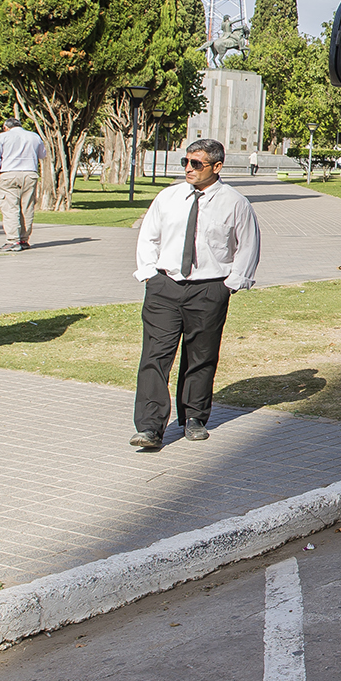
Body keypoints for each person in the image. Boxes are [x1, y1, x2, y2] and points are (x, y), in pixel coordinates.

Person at [129, 138, 262, 450]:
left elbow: (248, 245)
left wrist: (230, 284)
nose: (188, 168)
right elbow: (149, 236)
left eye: (196, 163)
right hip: (165, 287)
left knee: (201, 356)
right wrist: (149, 274)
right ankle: (149, 427)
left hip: (209, 289)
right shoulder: (168, 197)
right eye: (185, 162)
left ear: (217, 167)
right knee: (155, 355)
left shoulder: (235, 203)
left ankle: (194, 417)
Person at [0, 116, 45, 252]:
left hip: (8, 174)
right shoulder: (34, 136)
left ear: (6, 127)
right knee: (27, 208)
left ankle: (13, 240)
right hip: (30, 173)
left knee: (10, 208)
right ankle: (24, 239)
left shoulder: (3, 137)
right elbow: (42, 154)